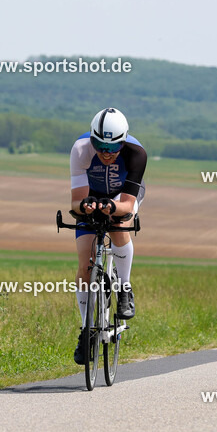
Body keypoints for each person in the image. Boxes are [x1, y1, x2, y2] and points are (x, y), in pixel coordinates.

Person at [69, 108, 147, 364]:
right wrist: (87, 206)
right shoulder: (80, 149)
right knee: (84, 265)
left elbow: (126, 205)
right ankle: (86, 330)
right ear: (91, 138)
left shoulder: (136, 154)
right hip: (92, 195)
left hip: (121, 197)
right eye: (99, 144)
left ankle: (124, 286)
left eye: (113, 147)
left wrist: (111, 207)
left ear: (124, 141)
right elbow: (76, 203)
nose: (106, 152)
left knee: (117, 224)